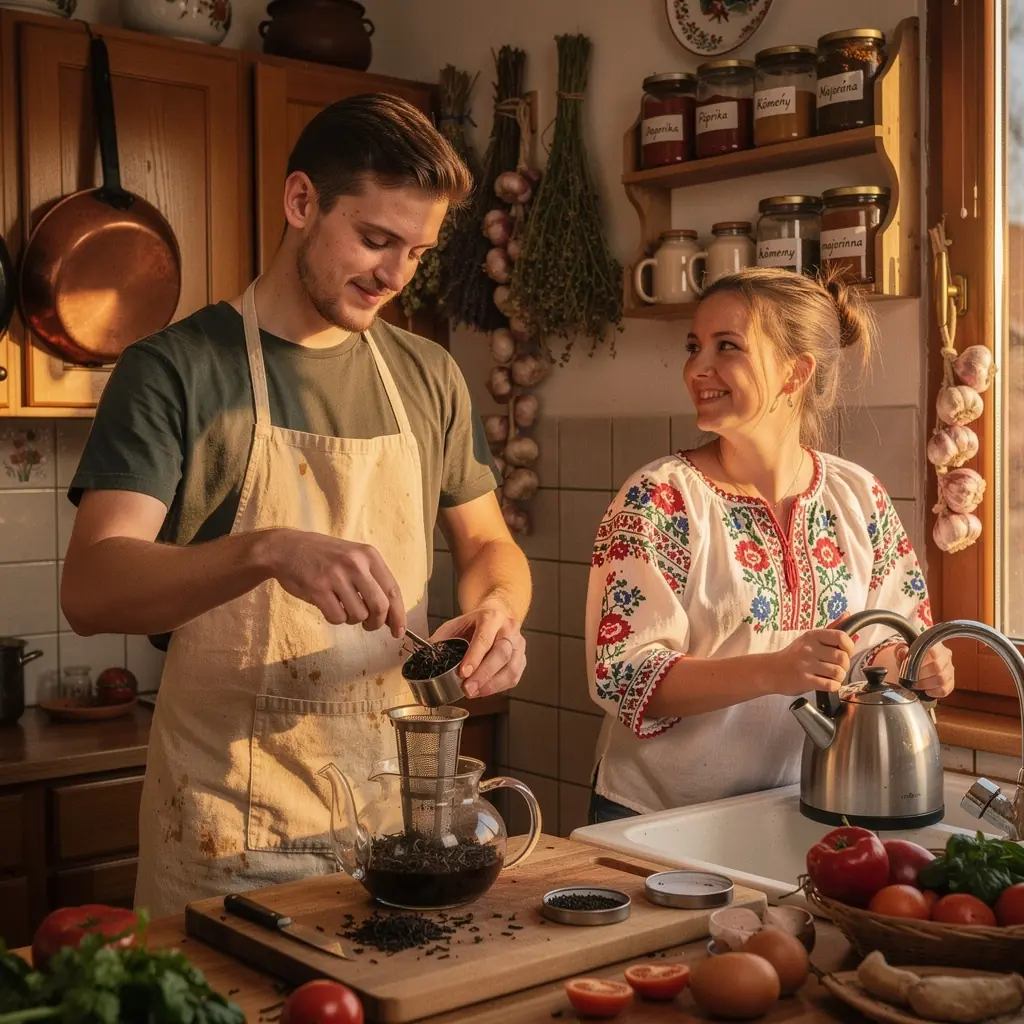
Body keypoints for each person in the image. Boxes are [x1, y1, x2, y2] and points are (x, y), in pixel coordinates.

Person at [60, 93, 532, 916]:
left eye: (417, 251)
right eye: (376, 239)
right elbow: (92, 589)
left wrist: (497, 612)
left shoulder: (428, 376)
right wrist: (269, 550)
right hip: (225, 839)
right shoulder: (175, 370)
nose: (395, 275)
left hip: (397, 831)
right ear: (301, 201)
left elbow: (490, 543)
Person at [584, 267, 954, 824]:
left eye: (726, 346)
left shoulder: (860, 498)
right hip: (658, 819)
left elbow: (883, 644)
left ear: (795, 371)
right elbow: (623, 675)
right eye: (694, 346)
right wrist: (772, 670)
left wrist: (912, 665)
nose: (696, 368)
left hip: (801, 807)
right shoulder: (660, 498)